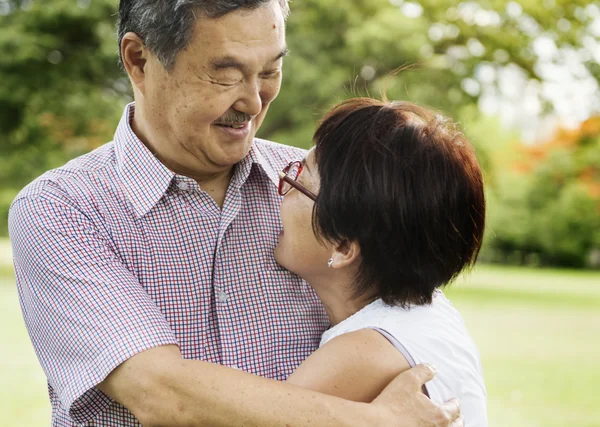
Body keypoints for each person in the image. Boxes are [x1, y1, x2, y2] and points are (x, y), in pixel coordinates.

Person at [8, 1, 463, 426]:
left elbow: (413, 323)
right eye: (225, 74)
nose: (254, 100)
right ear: (139, 60)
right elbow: (158, 391)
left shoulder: (323, 193)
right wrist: (370, 422)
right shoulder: (63, 209)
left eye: (271, 69)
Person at [276, 98, 488, 425]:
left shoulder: (363, 354)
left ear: (343, 245)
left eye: (296, 181)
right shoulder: (425, 318)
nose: (280, 194)